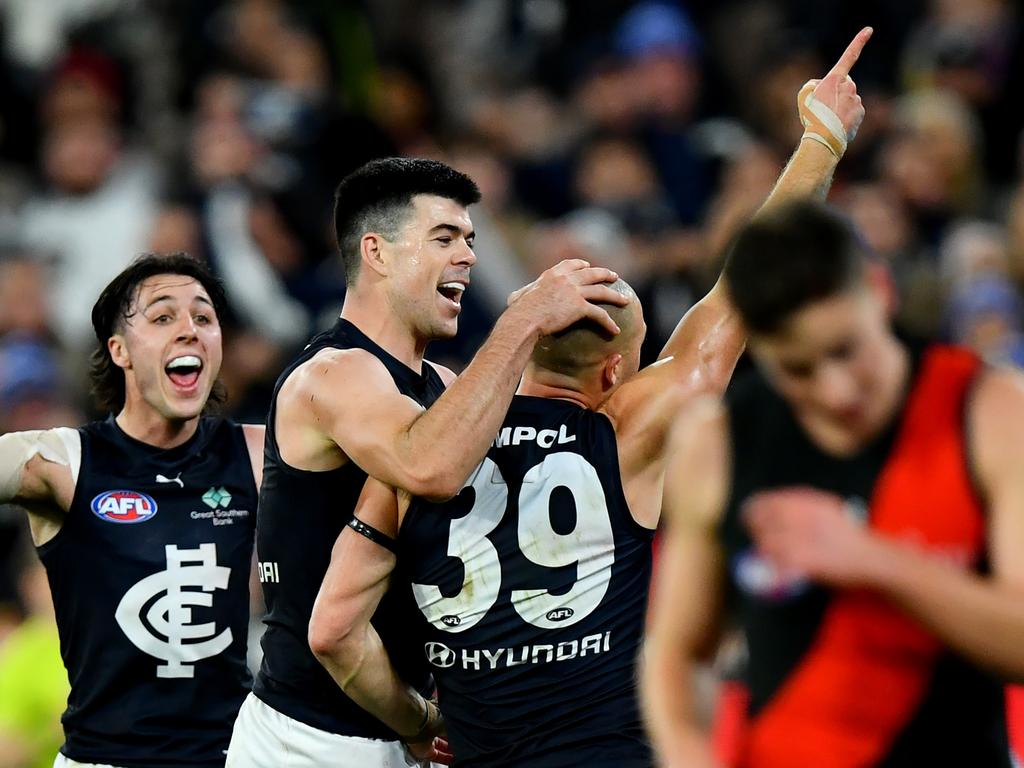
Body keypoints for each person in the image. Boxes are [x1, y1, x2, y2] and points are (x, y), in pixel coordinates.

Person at [308, 30, 873, 768]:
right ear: (614, 375)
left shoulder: (418, 450)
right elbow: (737, 301)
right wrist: (820, 142)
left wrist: (415, 722)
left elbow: (333, 633)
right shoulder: (626, 431)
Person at [224, 156, 633, 768]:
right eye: (443, 237)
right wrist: (521, 319)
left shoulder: (442, 385)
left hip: (400, 729)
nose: (467, 255)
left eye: (470, 239)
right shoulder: (333, 373)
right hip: (309, 741)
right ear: (377, 252)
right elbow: (428, 466)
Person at [643, 200, 1024, 767]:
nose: (836, 391)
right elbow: (678, 652)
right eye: (796, 368)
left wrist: (871, 557)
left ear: (879, 290)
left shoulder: (990, 411)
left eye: (846, 349)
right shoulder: (718, 442)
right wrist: (688, 755)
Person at [0, 253, 263, 768]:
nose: (189, 330)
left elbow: (413, 471)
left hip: (231, 758)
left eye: (203, 317)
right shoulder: (63, 463)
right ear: (119, 350)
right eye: (163, 316)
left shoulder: (258, 455)